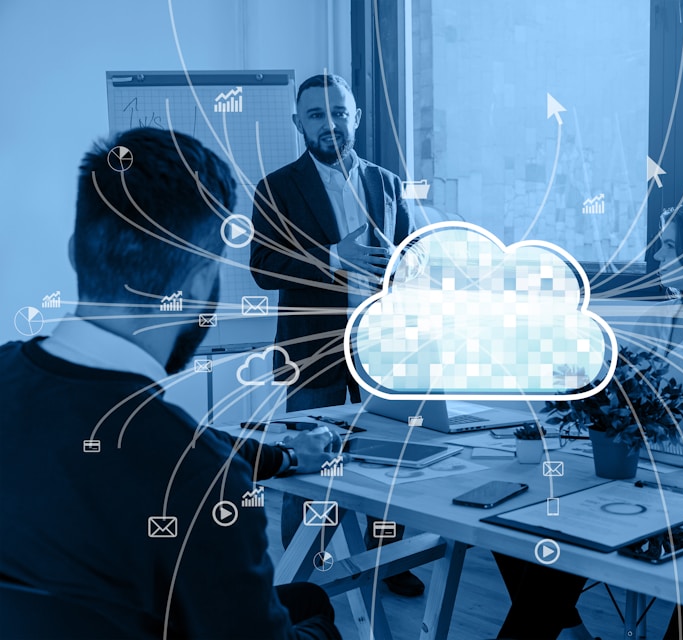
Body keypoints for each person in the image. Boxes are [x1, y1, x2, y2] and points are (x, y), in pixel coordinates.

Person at [0, 127, 342, 638]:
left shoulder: (12, 375)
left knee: (306, 596)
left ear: (75, 252)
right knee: (318, 612)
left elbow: (166, 444)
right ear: (202, 281)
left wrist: (285, 456)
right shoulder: (200, 481)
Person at [493, 201, 683, 640]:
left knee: (558, 535)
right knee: (512, 525)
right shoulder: (661, 314)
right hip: (626, 473)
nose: (656, 257)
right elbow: (623, 392)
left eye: (667, 246)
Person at [250, 73, 424, 597]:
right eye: (316, 115)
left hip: (380, 348)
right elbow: (261, 266)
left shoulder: (388, 182)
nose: (330, 123)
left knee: (385, 462)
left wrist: (406, 265)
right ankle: (300, 573)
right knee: (308, 461)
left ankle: (388, 560)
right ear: (299, 123)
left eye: (339, 112)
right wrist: (332, 259)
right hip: (313, 350)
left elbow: (412, 249)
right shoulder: (276, 186)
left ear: (356, 117)